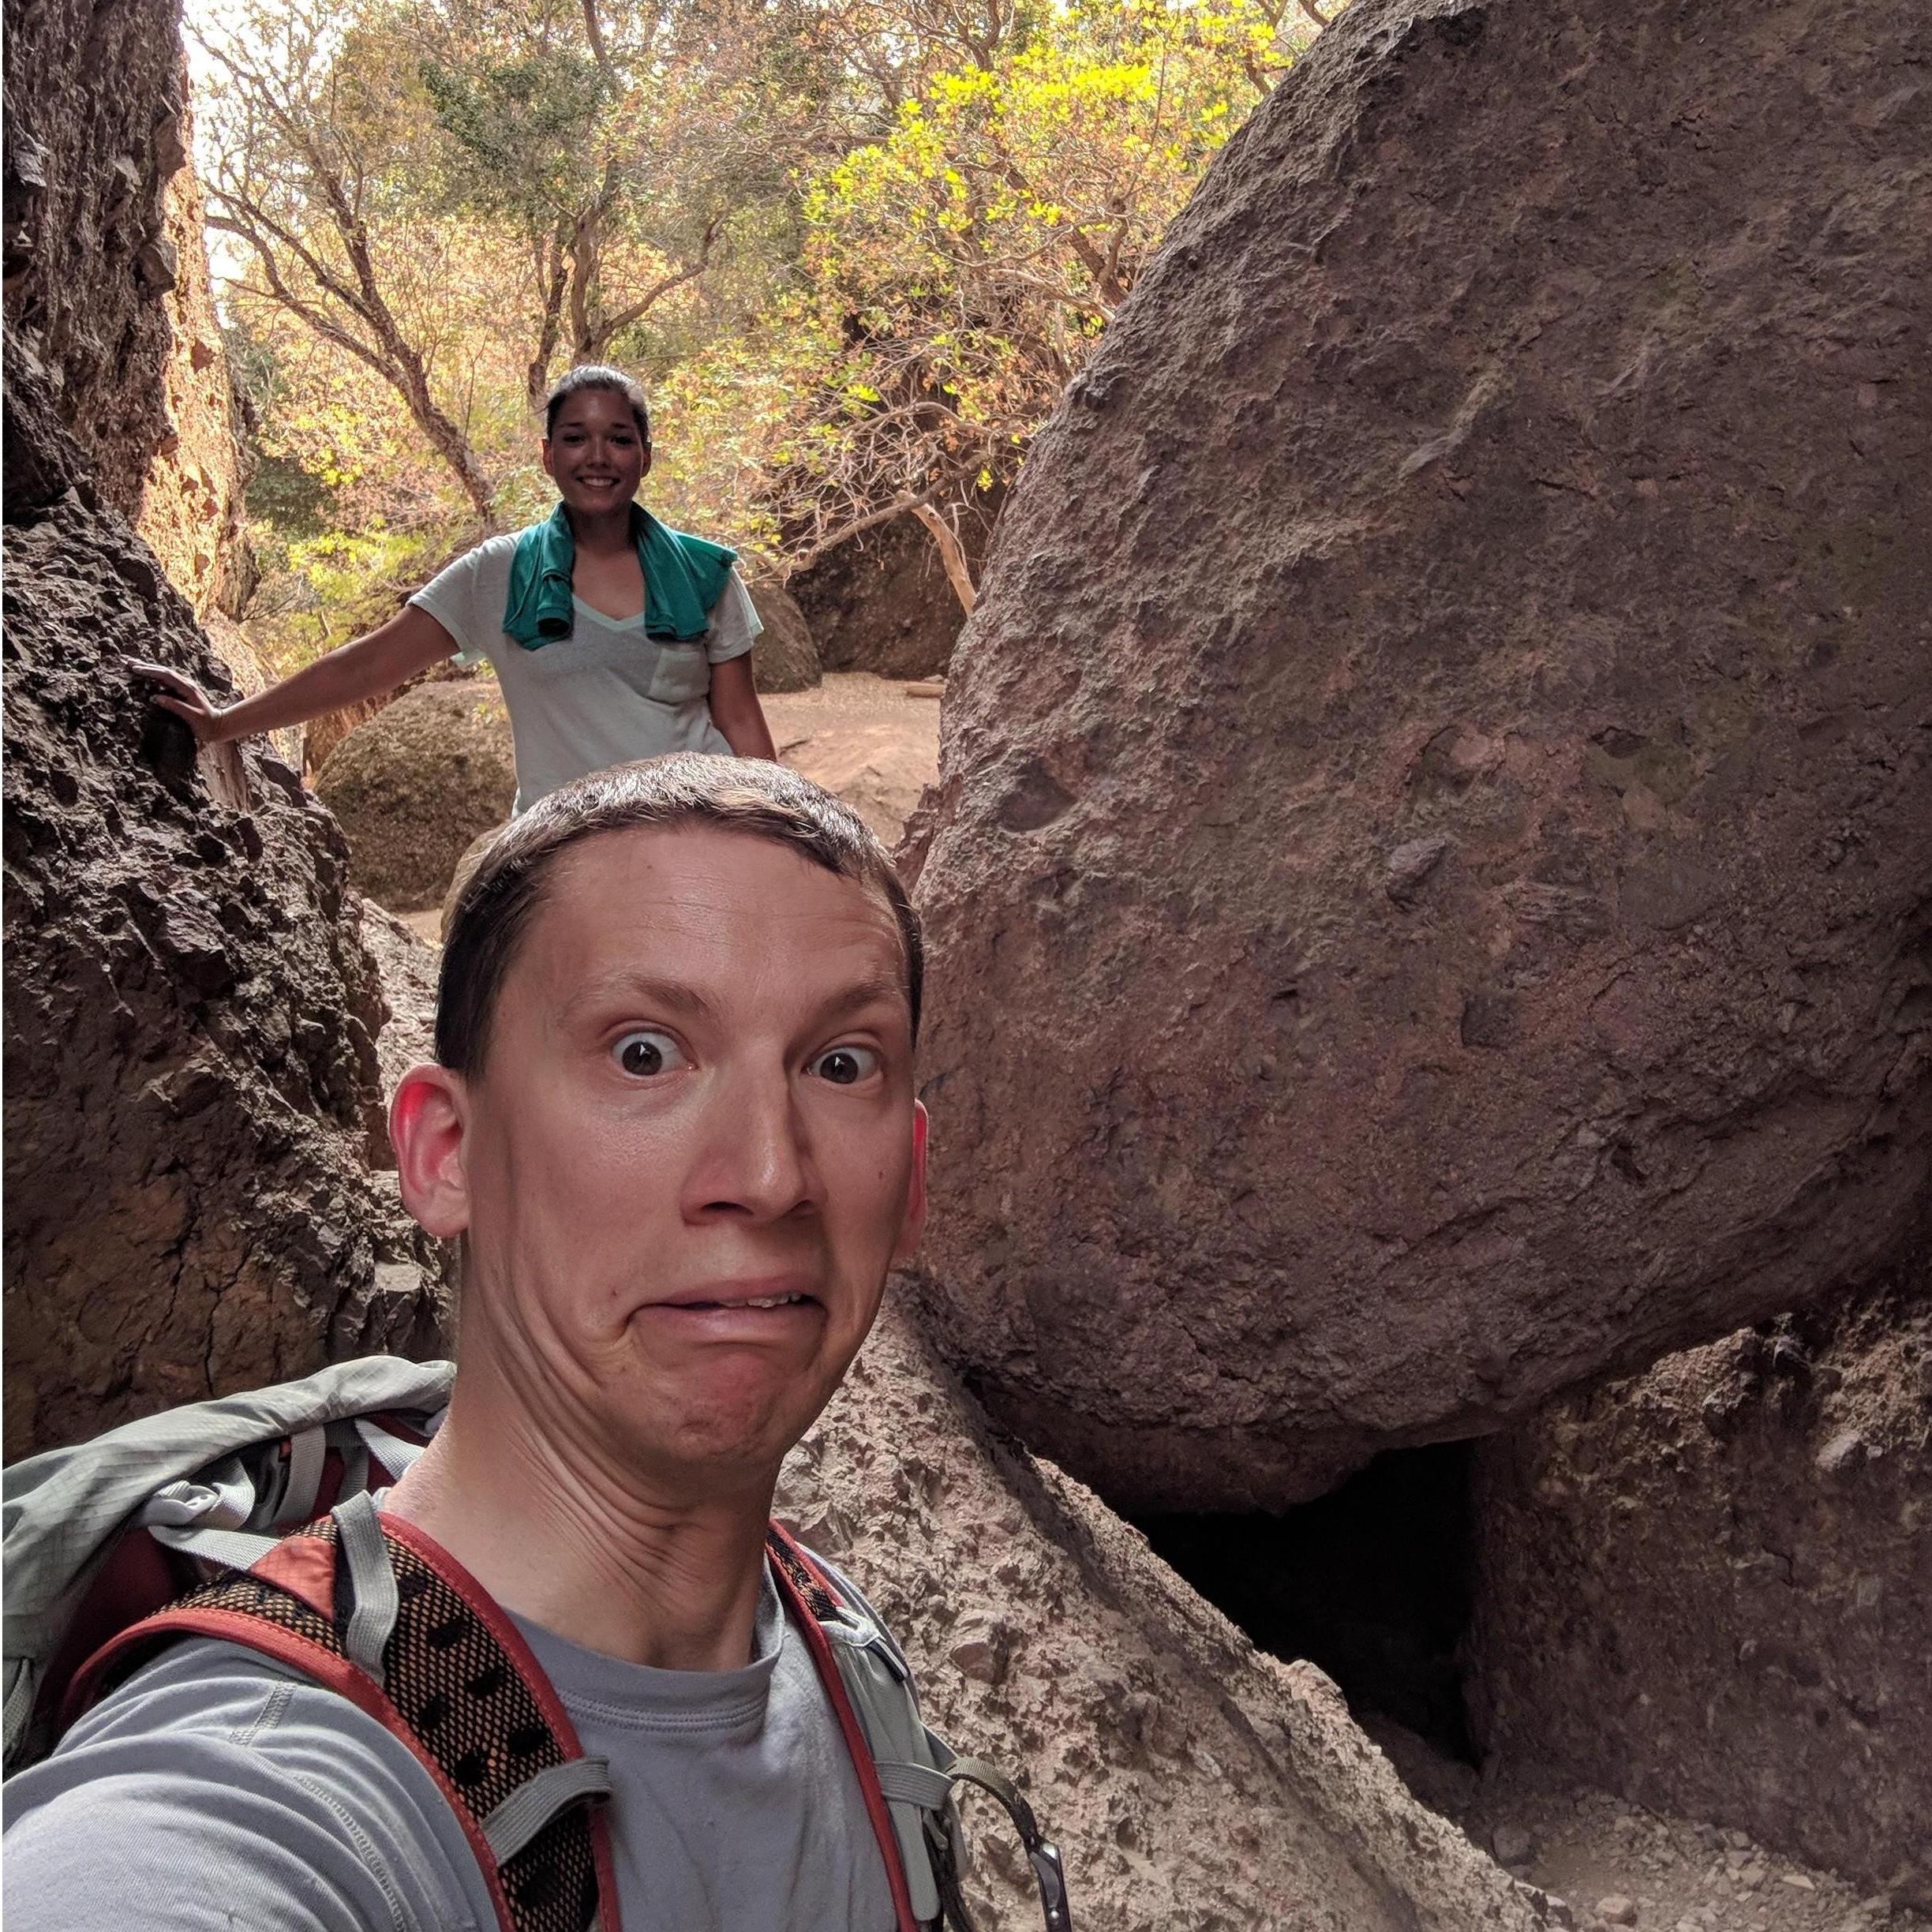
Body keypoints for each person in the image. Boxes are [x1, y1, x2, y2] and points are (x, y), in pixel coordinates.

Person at [2, 754, 940, 1930]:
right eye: (643, 1053)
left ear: (910, 1179)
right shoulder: (258, 1791)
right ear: (444, 1154)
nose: (767, 1175)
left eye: (840, 1064)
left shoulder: (831, 1643)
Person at [137, 366, 778, 811]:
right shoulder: (497, 575)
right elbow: (364, 667)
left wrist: (784, 836)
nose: (598, 457)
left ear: (645, 455)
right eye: (575, 438)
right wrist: (223, 724)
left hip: (696, 824)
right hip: (563, 842)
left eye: (619, 439)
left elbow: (739, 719)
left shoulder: (706, 576)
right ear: (548, 455)